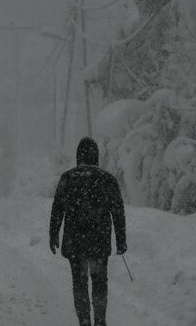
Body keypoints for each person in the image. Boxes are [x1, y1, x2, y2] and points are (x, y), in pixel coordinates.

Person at [49, 137, 127, 326]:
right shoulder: (107, 180)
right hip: (99, 242)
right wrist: (121, 239)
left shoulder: (68, 178)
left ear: (78, 156)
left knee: (80, 281)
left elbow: (57, 208)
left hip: (75, 242)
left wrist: (54, 234)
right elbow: (118, 211)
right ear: (96, 156)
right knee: (99, 281)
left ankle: (84, 319)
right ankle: (100, 320)